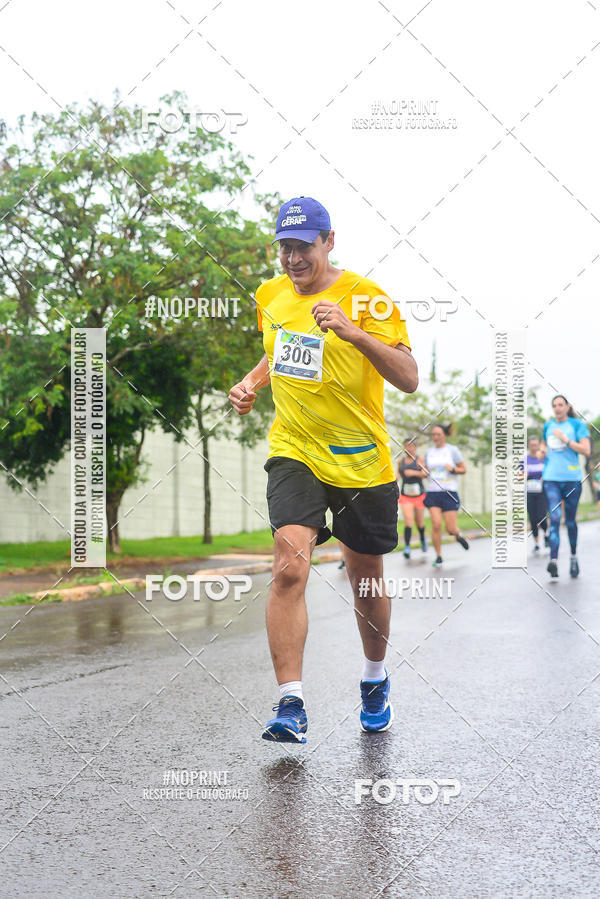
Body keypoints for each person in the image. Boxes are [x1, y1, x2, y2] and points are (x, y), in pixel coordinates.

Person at [228, 196, 418, 743]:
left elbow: (408, 377)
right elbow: (279, 351)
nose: (292, 258)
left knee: (365, 577)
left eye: (303, 246)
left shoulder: (367, 297)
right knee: (289, 565)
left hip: (360, 459)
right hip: (295, 449)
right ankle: (291, 703)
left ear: (328, 241)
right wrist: (251, 383)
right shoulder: (269, 295)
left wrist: (354, 333)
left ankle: (374, 677)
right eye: (284, 248)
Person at [538, 395, 590, 579]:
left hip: (572, 480)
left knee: (570, 521)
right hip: (551, 479)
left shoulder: (577, 425)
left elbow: (586, 450)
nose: (557, 408)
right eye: (554, 405)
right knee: (554, 518)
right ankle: (553, 561)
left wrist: (566, 440)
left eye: (560, 405)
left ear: (567, 407)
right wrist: (542, 452)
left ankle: (573, 557)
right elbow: (543, 446)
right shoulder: (548, 426)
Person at [422, 423, 469, 566]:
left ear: (445, 435)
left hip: (449, 492)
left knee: (450, 529)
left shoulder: (452, 450)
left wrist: (453, 469)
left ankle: (458, 535)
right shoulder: (429, 452)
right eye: (433, 435)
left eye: (438, 434)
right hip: (433, 492)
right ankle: (438, 556)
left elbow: (463, 469)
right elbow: (426, 472)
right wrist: (424, 471)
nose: (435, 437)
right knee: (436, 524)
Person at [397, 438, 427, 559]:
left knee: (419, 523)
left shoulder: (420, 459)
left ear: (415, 447)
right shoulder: (401, 461)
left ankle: (422, 539)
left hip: (419, 496)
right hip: (405, 496)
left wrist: (413, 473)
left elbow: (425, 474)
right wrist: (395, 478)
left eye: (410, 446)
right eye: (406, 446)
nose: (408, 449)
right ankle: (407, 547)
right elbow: (399, 474)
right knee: (408, 521)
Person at [526, 435, 549, 553]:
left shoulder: (544, 459)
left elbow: (549, 471)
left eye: (536, 445)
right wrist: (523, 475)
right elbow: (520, 474)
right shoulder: (525, 459)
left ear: (539, 445)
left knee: (541, 516)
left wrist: (544, 478)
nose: (534, 447)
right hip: (530, 492)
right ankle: (536, 544)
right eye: (532, 445)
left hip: (542, 492)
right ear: (528, 446)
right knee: (533, 519)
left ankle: (546, 534)